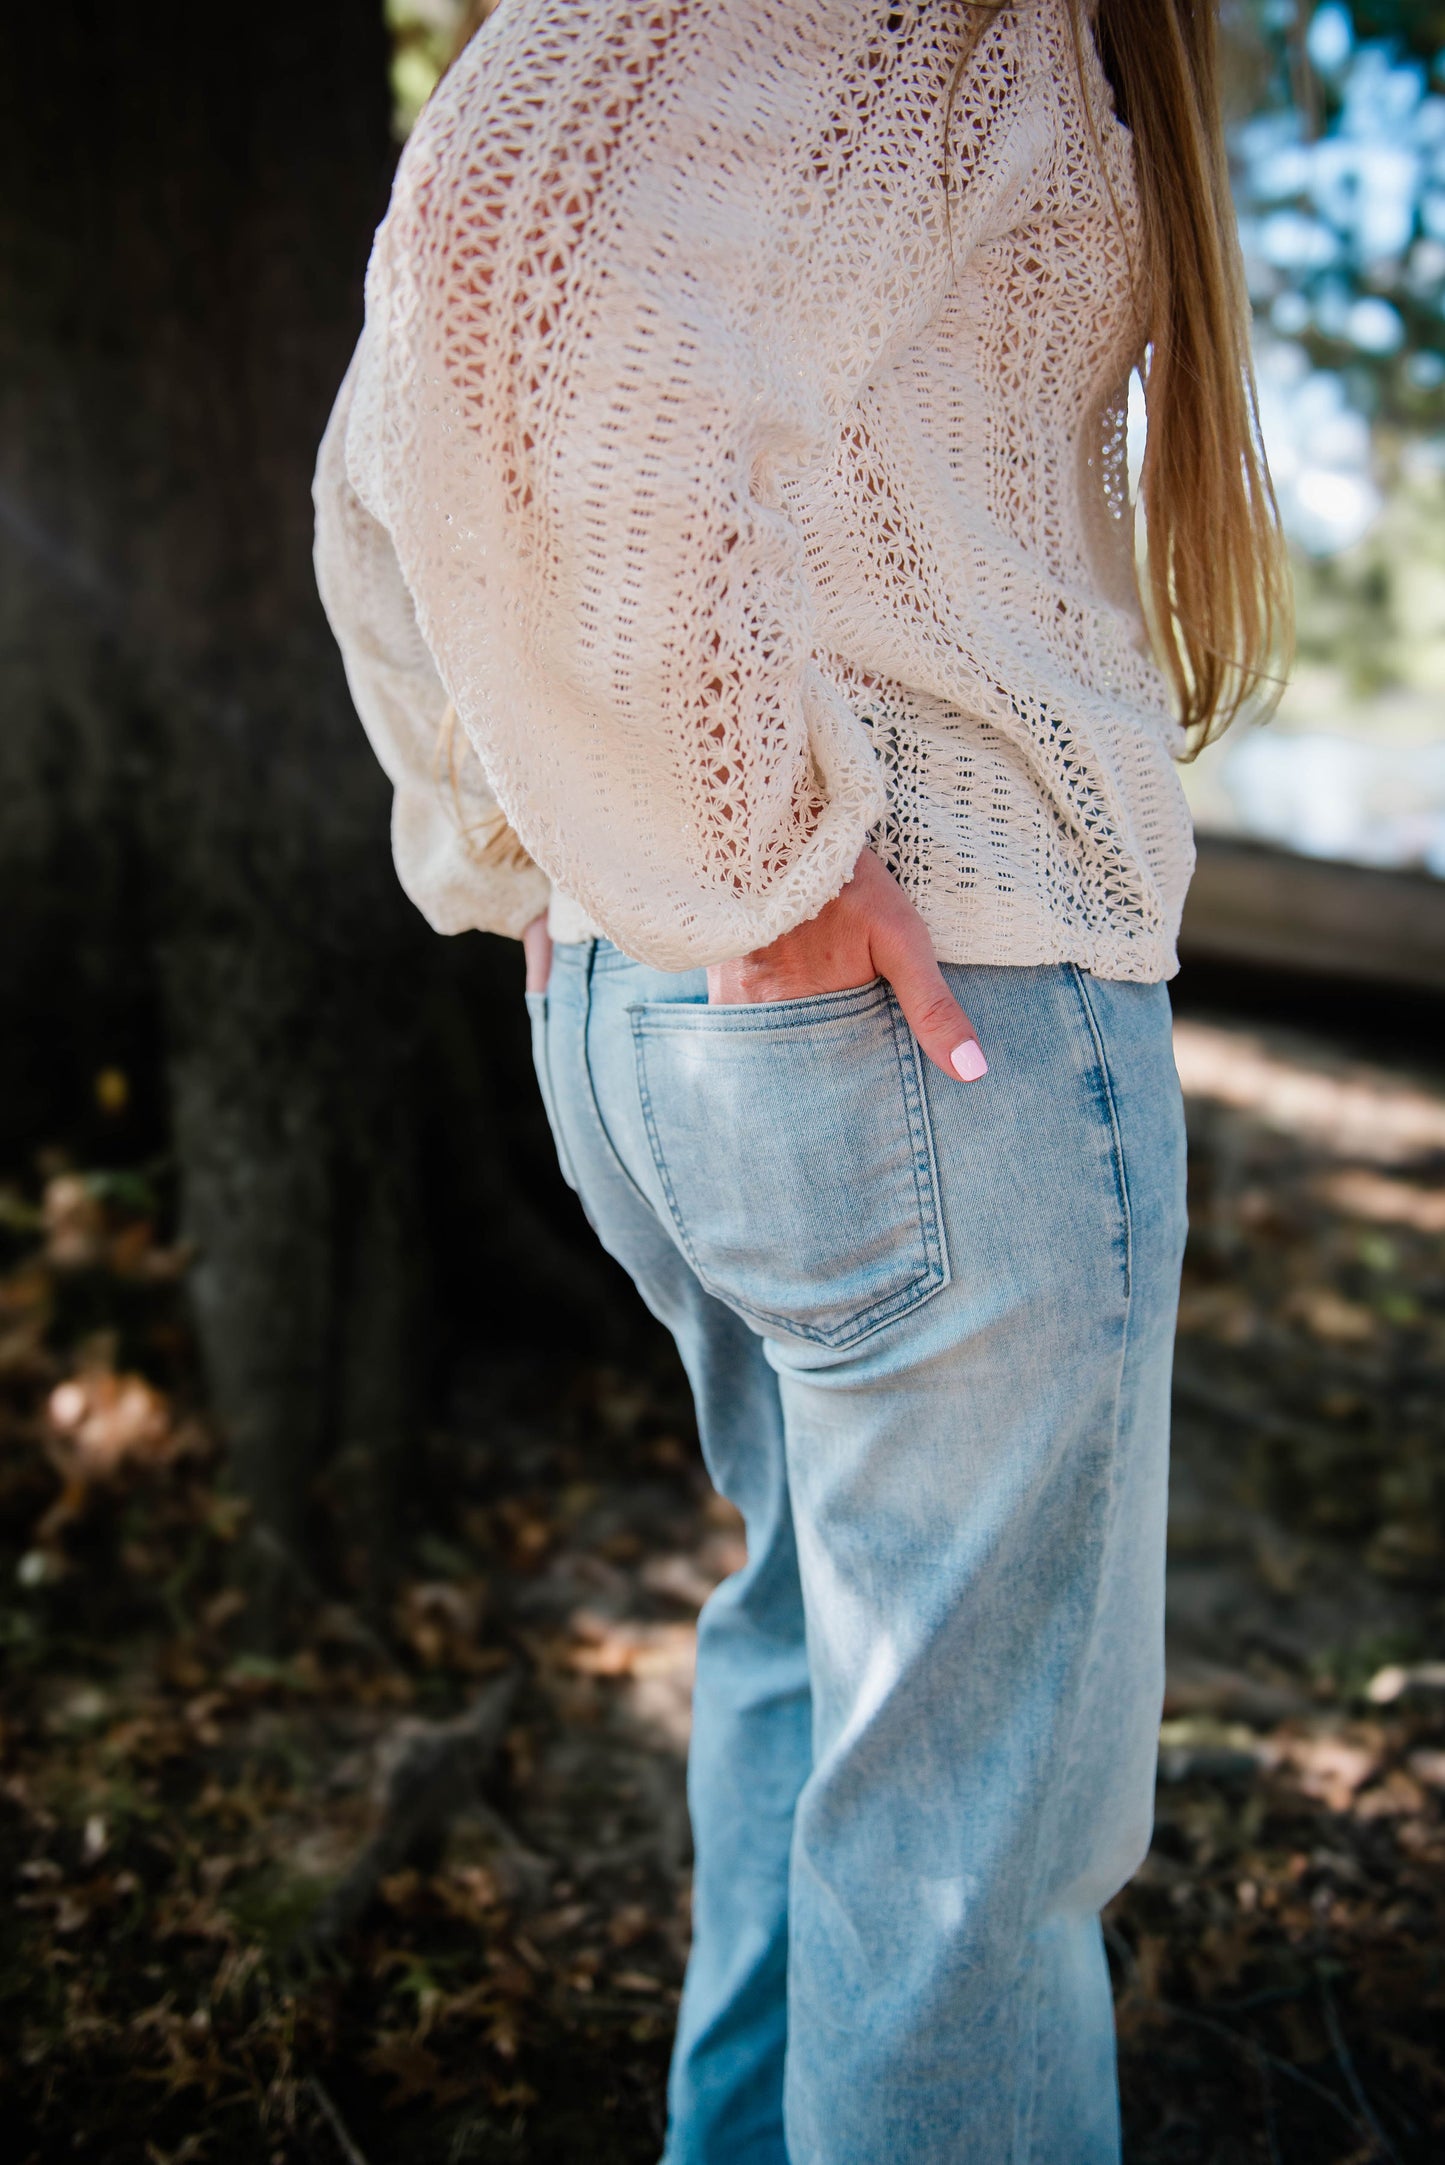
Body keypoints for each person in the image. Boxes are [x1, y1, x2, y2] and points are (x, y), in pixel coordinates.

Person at [313, 1, 1289, 2157]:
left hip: (697, 1025)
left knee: (820, 1658)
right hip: (927, 1035)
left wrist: (544, 823)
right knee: (966, 1866)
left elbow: (392, 420)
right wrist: (732, 842)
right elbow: (484, 291)